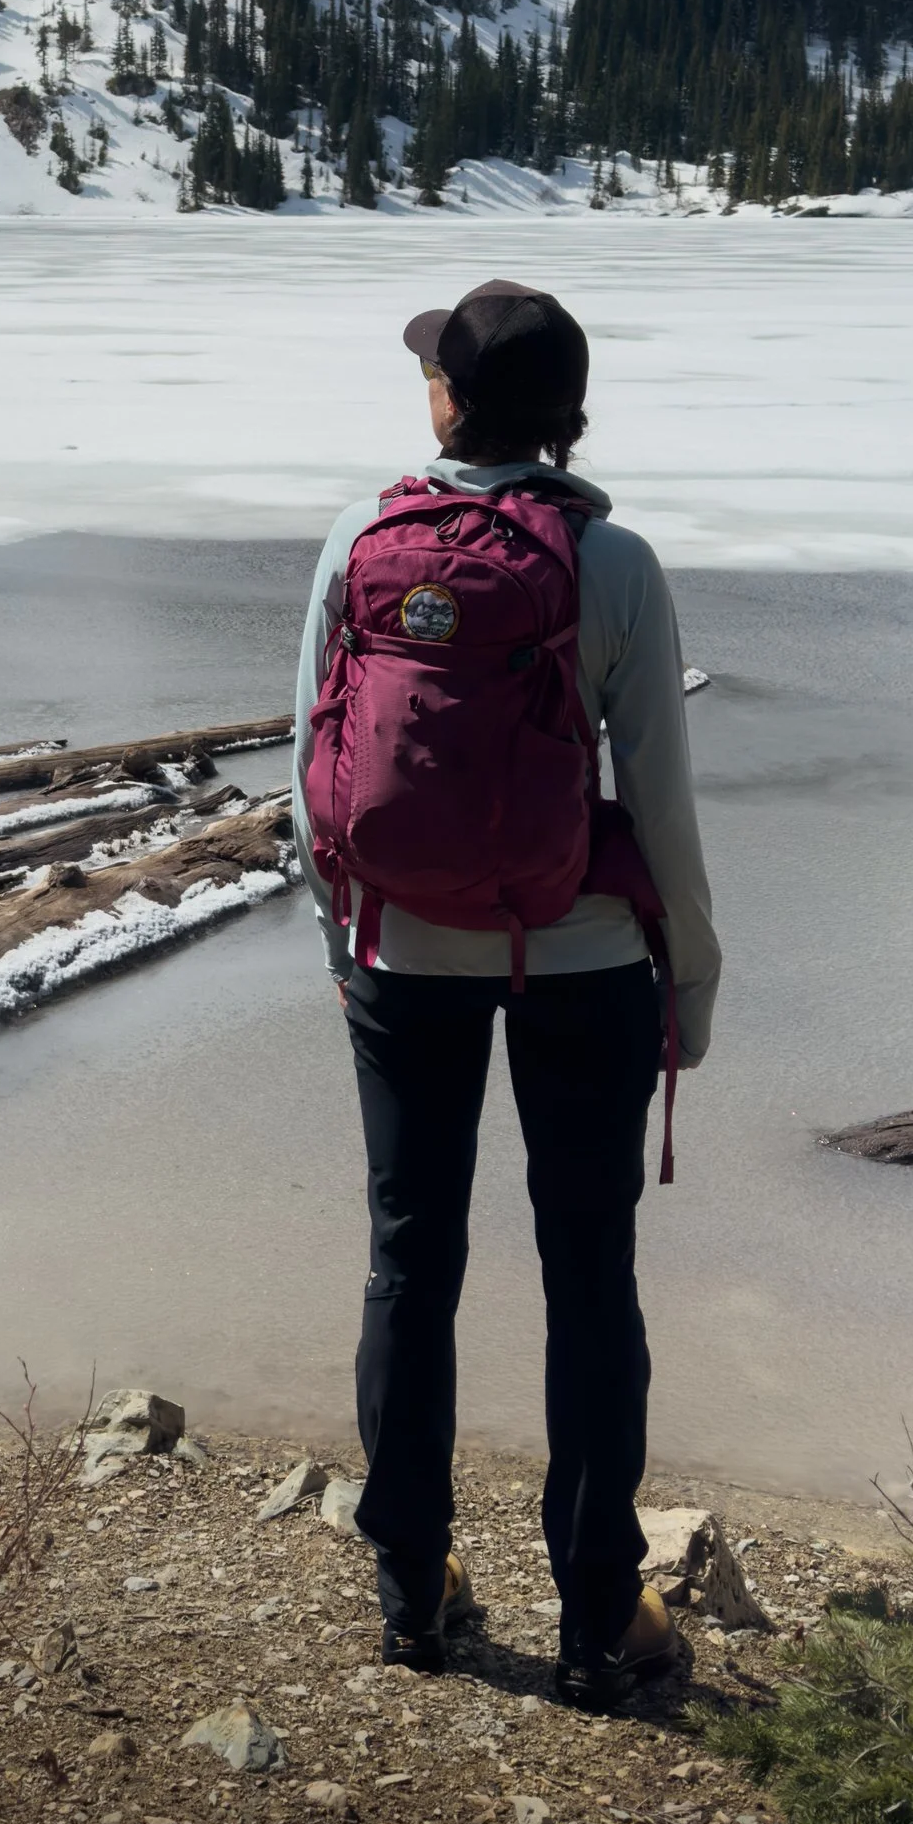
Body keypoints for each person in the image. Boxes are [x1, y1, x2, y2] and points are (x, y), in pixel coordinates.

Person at [293, 278, 719, 1707]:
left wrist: (350, 941)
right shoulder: (618, 565)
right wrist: (694, 982)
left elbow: (317, 782)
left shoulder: (360, 542)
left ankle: (414, 1585)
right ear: (570, 416)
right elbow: (660, 805)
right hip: (585, 960)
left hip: (399, 957)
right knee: (590, 1277)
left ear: (452, 403)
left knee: (412, 1262)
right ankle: (603, 1616)